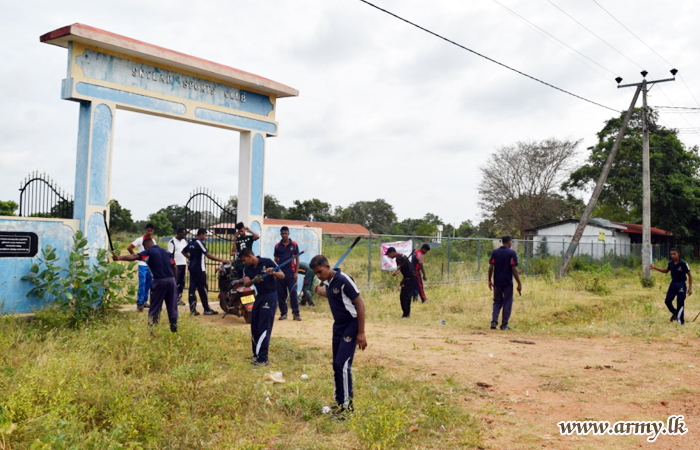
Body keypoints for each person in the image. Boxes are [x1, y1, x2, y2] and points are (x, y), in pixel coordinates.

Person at [311, 255, 367, 419]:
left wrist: (361, 332)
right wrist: (317, 290)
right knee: (336, 364)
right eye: (316, 274)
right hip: (338, 326)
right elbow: (332, 295)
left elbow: (360, 304)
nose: (319, 276)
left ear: (328, 266)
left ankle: (347, 409)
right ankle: (339, 401)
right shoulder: (329, 282)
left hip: (351, 324)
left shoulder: (343, 280)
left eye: (320, 272)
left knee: (342, 364)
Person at [113, 237, 179, 332]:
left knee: (155, 307)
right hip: (171, 281)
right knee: (172, 307)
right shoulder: (166, 252)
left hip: (159, 281)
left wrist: (119, 258)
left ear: (146, 246)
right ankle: (174, 330)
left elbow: (135, 256)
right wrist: (174, 281)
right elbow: (175, 267)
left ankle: (152, 331)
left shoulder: (149, 252)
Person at [239, 248, 285, 366]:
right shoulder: (248, 269)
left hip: (270, 296)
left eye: (244, 260)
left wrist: (273, 272)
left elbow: (282, 275)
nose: (244, 263)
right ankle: (256, 353)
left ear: (250, 256)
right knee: (254, 324)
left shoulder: (267, 262)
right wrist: (254, 280)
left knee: (264, 326)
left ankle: (263, 358)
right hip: (259, 296)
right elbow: (246, 283)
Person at [182, 228, 229, 316]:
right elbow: (208, 255)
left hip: (192, 268)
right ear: (202, 234)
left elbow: (183, 252)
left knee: (192, 289)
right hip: (199, 270)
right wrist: (222, 260)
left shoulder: (191, 242)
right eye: (205, 235)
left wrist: (191, 258)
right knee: (203, 289)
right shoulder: (200, 243)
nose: (205, 237)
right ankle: (206, 309)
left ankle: (193, 310)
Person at [488, 236, 522, 330]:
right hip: (507, 281)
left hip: (497, 281)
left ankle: (494, 321)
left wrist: (489, 280)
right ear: (509, 243)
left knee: (497, 301)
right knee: (507, 302)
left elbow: (491, 267)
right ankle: (504, 325)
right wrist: (519, 283)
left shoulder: (495, 252)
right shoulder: (512, 253)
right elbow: (513, 269)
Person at [651, 248, 693, 324]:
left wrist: (690, 288)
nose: (673, 256)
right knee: (667, 301)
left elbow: (690, 275)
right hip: (673, 284)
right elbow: (666, 271)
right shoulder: (670, 263)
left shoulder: (683, 263)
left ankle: (680, 321)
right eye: (671, 254)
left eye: (674, 254)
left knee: (680, 302)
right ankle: (676, 313)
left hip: (681, 284)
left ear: (678, 254)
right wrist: (654, 268)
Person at [274, 226, 301, 321]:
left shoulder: (294, 245)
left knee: (293, 293)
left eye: (286, 233)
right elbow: (276, 259)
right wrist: (278, 270)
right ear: (280, 234)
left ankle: (296, 314)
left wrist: (296, 273)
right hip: (281, 274)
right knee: (281, 295)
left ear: (288, 234)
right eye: (282, 234)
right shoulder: (277, 246)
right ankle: (283, 313)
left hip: (291, 274)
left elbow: (297, 259)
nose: (284, 235)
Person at [127, 223, 155, 312]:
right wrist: (135, 256)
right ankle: (139, 303)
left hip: (150, 265)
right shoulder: (139, 240)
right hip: (142, 265)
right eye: (148, 230)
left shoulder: (153, 241)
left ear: (153, 231)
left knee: (149, 284)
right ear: (145, 230)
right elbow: (129, 247)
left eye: (151, 230)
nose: (149, 232)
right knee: (142, 284)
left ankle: (144, 301)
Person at [385, 247, 416, 318]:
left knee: (404, 297)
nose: (388, 256)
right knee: (407, 296)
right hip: (410, 278)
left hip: (409, 279)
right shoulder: (402, 256)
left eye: (389, 254)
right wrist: (403, 280)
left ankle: (406, 314)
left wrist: (395, 273)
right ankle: (407, 313)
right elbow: (406, 269)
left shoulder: (398, 258)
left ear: (392, 252)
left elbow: (399, 269)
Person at [167, 228, 188, 306]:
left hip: (183, 264)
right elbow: (170, 255)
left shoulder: (184, 241)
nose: (184, 236)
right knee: (175, 282)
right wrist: (173, 265)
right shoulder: (172, 242)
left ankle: (179, 298)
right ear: (178, 233)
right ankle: (172, 299)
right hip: (176, 265)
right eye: (183, 234)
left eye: (185, 234)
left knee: (181, 282)